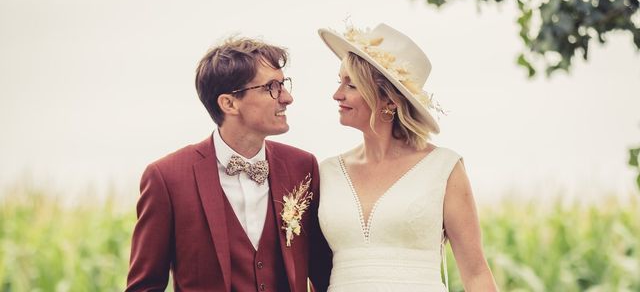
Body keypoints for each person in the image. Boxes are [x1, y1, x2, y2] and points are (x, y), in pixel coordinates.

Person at [125, 37, 332, 292]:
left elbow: (324, 275)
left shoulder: (302, 167)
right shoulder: (167, 178)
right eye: (272, 87)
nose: (287, 97)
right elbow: (144, 286)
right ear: (229, 103)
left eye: (283, 84)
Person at [316, 23, 497, 292]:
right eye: (339, 81)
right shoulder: (327, 172)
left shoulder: (443, 169)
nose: (337, 94)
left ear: (389, 101)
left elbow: (476, 273)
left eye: (351, 85)